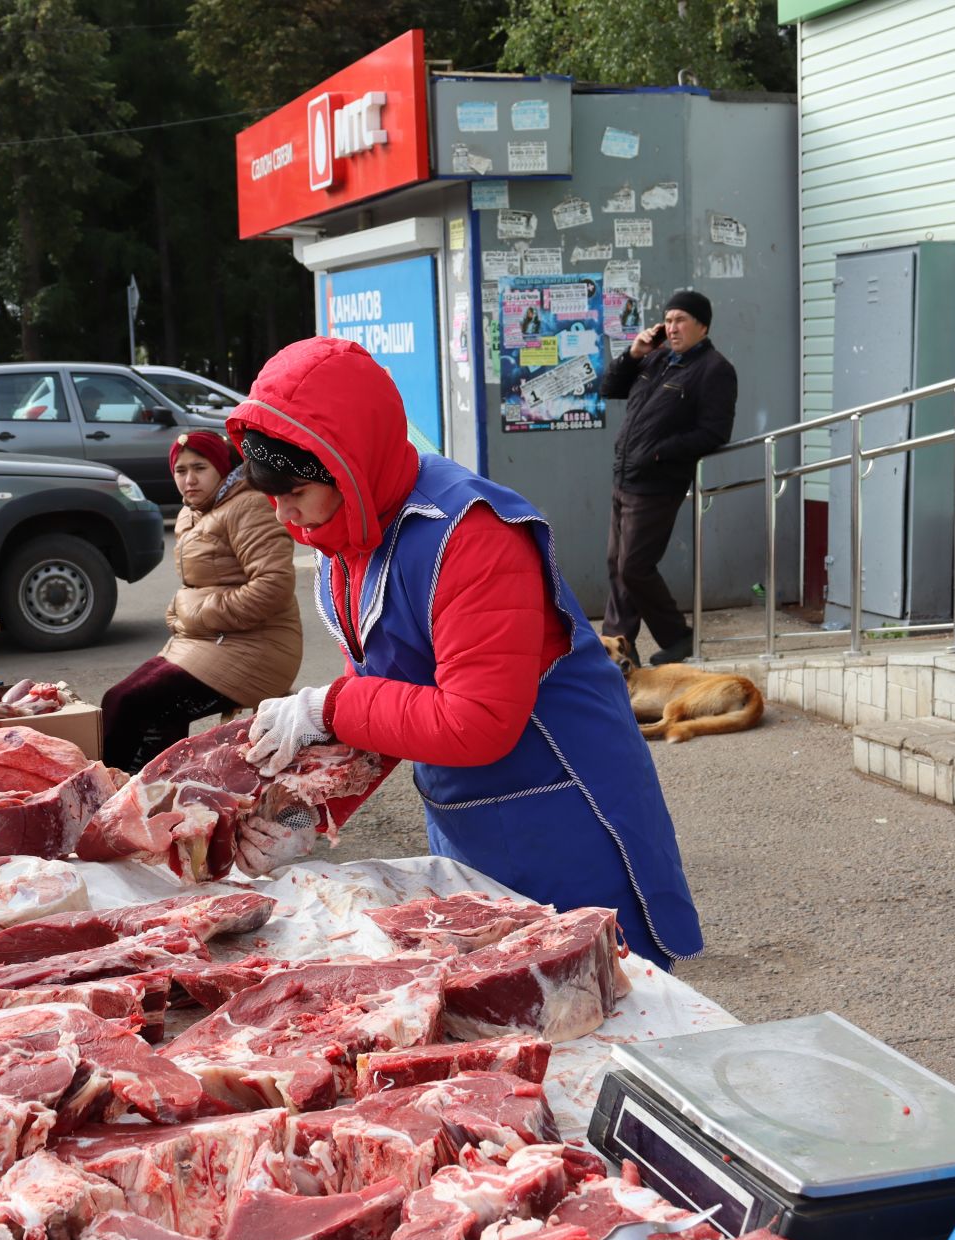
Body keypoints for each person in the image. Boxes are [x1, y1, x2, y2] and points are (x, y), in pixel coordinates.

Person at [234, 337, 702, 972]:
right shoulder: (346, 533)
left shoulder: (469, 532)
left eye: (293, 489)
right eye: (270, 493)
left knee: (597, 1016)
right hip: (471, 820)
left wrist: (331, 705)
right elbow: (388, 700)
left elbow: (476, 720)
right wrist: (305, 813)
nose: (282, 511)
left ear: (346, 462)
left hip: (567, 818)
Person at [100, 429, 300, 772]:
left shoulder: (248, 505)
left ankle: (130, 801)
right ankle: (150, 800)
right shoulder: (193, 511)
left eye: (200, 468)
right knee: (117, 700)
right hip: (208, 640)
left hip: (258, 647)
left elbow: (274, 585)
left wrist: (197, 614)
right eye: (181, 471)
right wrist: (189, 611)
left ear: (222, 468)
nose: (189, 480)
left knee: (138, 704)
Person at [600, 288, 738, 667]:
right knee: (617, 564)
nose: (672, 327)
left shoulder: (715, 370)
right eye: (669, 319)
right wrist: (634, 354)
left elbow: (714, 432)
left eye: (681, 320)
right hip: (625, 475)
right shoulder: (658, 359)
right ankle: (618, 647)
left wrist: (659, 452)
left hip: (658, 482)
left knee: (634, 567)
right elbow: (610, 387)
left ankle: (678, 637)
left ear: (702, 326)